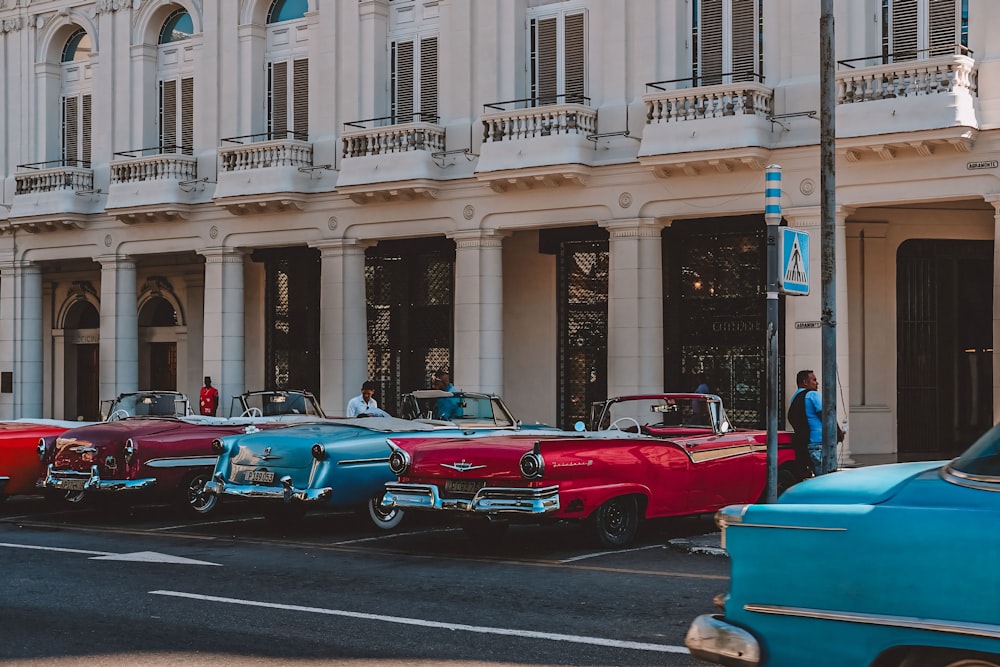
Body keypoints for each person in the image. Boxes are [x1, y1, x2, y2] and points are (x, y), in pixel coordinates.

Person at [787, 369, 825, 476]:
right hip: (819, 441)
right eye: (814, 380)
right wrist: (837, 432)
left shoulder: (794, 398)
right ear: (805, 382)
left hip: (806, 444)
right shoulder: (813, 394)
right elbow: (825, 415)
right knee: (826, 478)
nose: (817, 383)